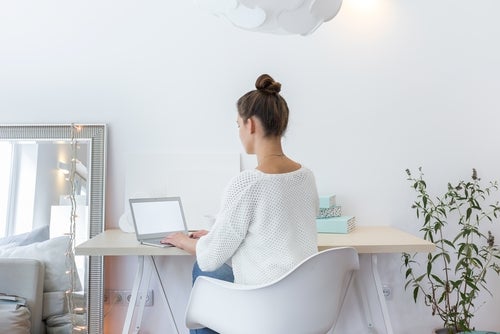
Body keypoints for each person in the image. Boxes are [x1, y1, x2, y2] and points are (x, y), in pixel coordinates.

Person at [163, 73, 319, 333]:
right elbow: (274, 233)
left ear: (251, 125)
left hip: (263, 302)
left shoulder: (248, 183)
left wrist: (183, 240)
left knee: (203, 271)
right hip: (301, 301)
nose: (238, 132)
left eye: (238, 125)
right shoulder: (306, 176)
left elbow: (211, 258)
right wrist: (216, 235)